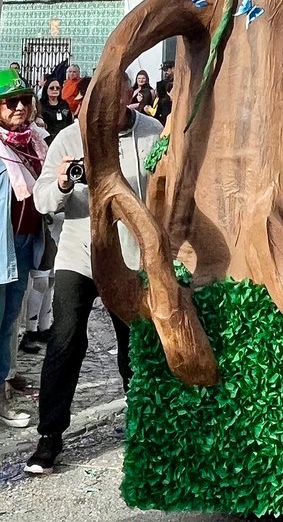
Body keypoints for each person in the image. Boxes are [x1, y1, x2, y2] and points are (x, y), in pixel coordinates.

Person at [25, 72, 162, 475]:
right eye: (96, 99)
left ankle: (143, 426)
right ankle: (50, 435)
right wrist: (63, 183)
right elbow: (42, 200)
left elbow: (168, 187)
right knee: (65, 340)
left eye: (114, 97)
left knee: (135, 345)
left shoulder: (151, 131)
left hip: (131, 258)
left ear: (129, 96)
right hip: (79, 254)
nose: (104, 107)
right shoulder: (69, 137)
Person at [0, 69, 47, 427]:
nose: (19, 107)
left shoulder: (36, 142)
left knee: (10, 319)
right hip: (2, 246)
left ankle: (6, 376)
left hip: (25, 242)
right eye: (10, 101)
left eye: (24, 100)